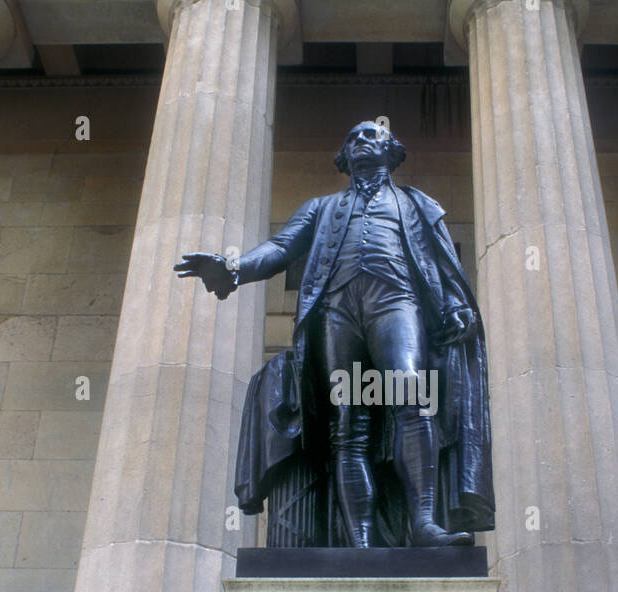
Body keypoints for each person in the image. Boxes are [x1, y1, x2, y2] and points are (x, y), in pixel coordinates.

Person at [176, 121, 494, 547]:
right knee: (348, 422)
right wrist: (234, 268)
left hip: (395, 301)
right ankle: (358, 540)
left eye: (371, 135)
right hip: (337, 311)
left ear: (391, 150)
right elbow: (281, 248)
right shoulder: (321, 207)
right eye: (352, 137)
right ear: (344, 157)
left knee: (413, 396)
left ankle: (423, 523)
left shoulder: (418, 204)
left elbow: (441, 264)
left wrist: (456, 305)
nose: (360, 140)